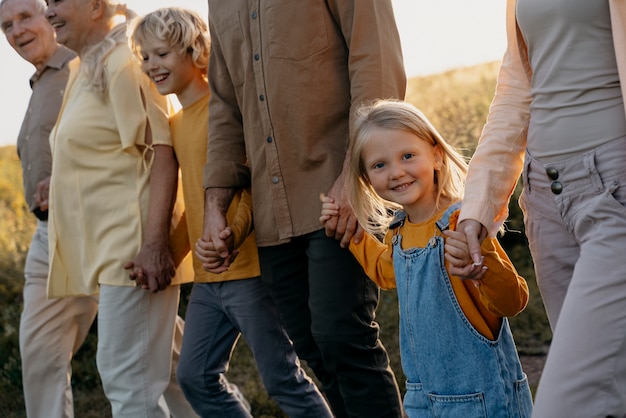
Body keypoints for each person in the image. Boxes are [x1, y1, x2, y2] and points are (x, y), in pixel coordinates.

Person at [201, 1, 406, 416]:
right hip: (272, 209)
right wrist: (215, 204)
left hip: (337, 188)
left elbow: (376, 61)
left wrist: (353, 175)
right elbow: (224, 105)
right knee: (313, 346)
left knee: (343, 339)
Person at [130, 7, 333, 417]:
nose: (152, 65)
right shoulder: (175, 123)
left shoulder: (226, 113)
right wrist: (168, 254)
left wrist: (229, 235)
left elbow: (254, 186)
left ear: (197, 50)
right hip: (209, 282)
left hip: (251, 271)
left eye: (163, 54)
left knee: (281, 377)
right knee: (195, 376)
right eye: (146, 56)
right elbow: (197, 207)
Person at [448, 1, 626, 417]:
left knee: (569, 401)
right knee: (612, 391)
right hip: (546, 202)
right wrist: (479, 206)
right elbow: (516, 90)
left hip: (613, 193)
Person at [321, 99, 533, 417]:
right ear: (366, 178)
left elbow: (513, 301)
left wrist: (482, 269)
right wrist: (354, 232)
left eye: (407, 156)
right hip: (422, 397)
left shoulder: (461, 223)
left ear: (435, 155)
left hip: (480, 398)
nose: (396, 172)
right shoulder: (399, 231)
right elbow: (388, 272)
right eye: (379, 165)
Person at [43, 1, 197, 417]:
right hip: (113, 253)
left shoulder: (125, 63)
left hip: (133, 254)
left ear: (96, 6)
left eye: (57, 1)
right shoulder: (86, 66)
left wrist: (154, 245)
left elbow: (163, 152)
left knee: (127, 384)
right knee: (167, 381)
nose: (48, 12)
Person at [0, 1, 98, 416]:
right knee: (40, 354)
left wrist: (67, 181)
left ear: (52, 16)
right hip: (47, 235)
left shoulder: (85, 65)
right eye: (5, 25)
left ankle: (206, 405)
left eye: (25, 17)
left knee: (156, 353)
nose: (16, 30)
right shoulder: (40, 82)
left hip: (94, 226)